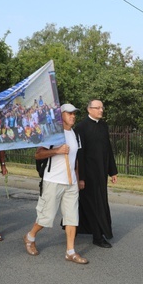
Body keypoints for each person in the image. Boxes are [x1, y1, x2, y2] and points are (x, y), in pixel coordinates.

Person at [22, 103, 88, 264]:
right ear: (61, 115)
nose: (73, 116)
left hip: (70, 182)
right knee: (46, 217)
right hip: (53, 181)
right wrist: (57, 151)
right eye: (69, 113)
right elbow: (38, 155)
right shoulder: (52, 133)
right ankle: (30, 237)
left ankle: (70, 252)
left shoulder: (74, 134)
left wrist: (78, 179)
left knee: (72, 218)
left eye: (74, 114)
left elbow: (76, 160)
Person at [75, 100, 118, 248]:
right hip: (88, 173)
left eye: (102, 108)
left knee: (95, 203)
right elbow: (79, 155)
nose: (101, 110)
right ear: (89, 109)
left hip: (101, 172)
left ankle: (78, 228)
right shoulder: (81, 127)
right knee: (94, 205)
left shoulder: (104, 126)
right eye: (98, 108)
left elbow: (108, 149)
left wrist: (112, 171)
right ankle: (97, 237)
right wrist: (81, 177)